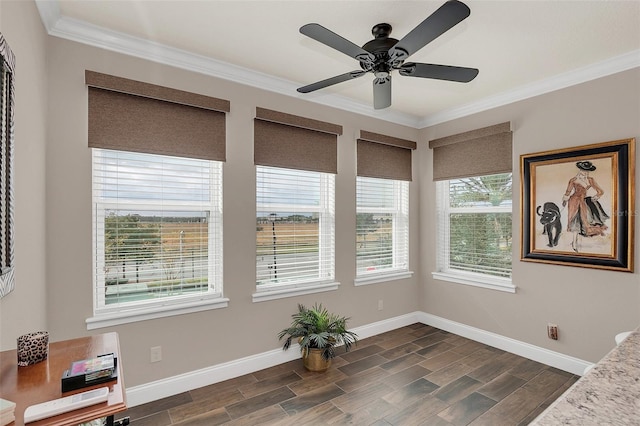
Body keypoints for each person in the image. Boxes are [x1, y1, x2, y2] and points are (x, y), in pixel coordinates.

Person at [562, 160, 609, 252]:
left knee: (585, 219)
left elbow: (600, 191)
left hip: (584, 202)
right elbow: (568, 192)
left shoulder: (590, 180)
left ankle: (576, 242)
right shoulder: (573, 180)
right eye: (583, 170)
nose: (585, 172)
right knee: (575, 220)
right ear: (580, 170)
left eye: (587, 171)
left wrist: (596, 197)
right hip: (574, 201)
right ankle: (574, 242)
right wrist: (565, 199)